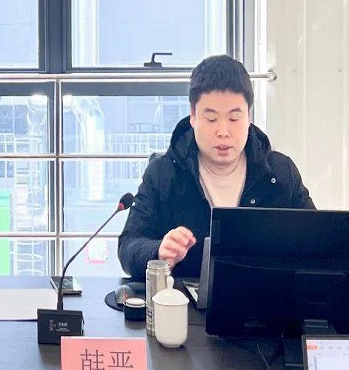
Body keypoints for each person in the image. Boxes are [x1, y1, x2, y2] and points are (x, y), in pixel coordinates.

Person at [118, 55, 315, 278]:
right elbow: (129, 246)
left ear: (248, 116)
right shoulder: (163, 174)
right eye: (211, 119)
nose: (223, 131)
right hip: (184, 300)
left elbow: (316, 244)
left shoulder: (280, 174)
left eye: (234, 118)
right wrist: (158, 251)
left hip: (267, 299)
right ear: (193, 116)